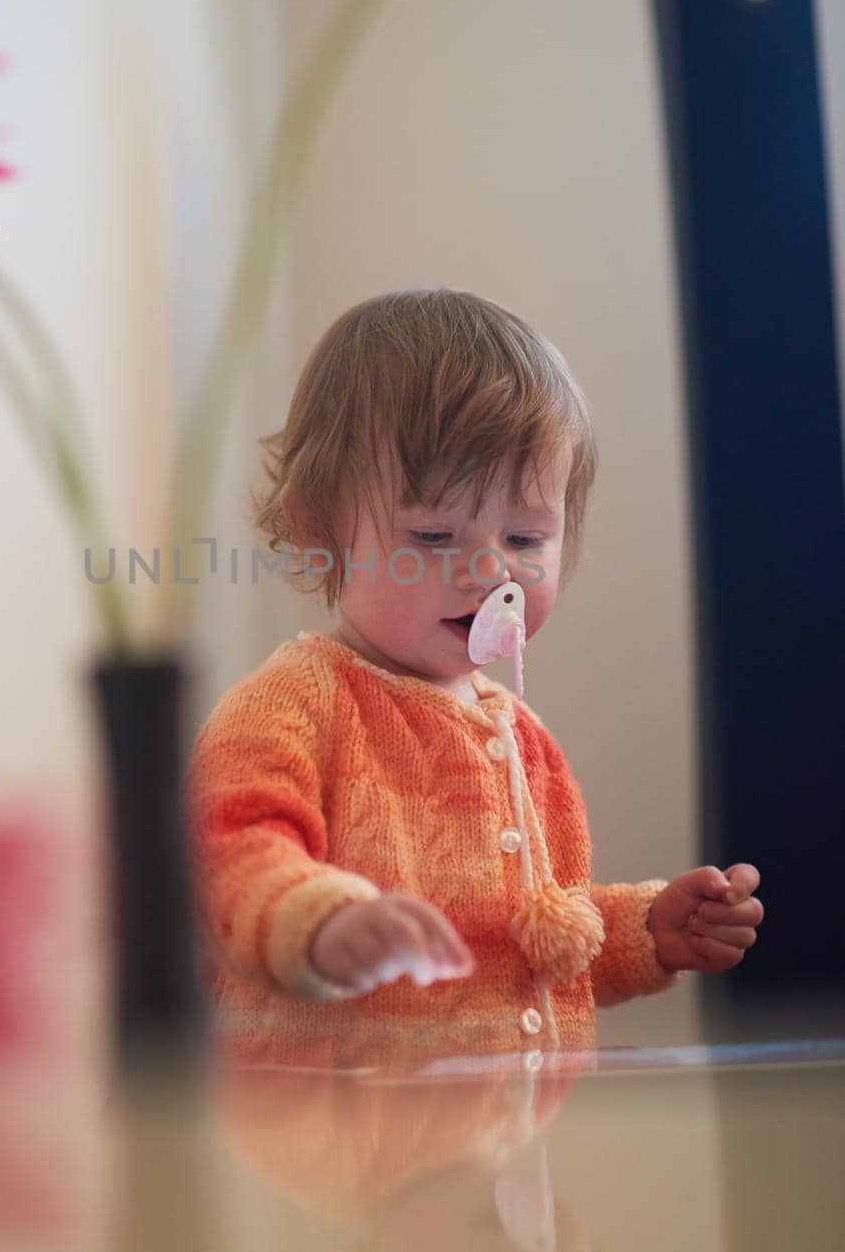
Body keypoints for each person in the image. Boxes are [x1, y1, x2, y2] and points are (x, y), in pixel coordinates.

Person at [185, 289, 763, 1064]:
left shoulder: (524, 738)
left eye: (526, 535)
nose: (492, 570)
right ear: (319, 531)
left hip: (507, 1156)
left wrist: (644, 931)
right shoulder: (295, 706)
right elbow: (226, 851)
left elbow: (527, 933)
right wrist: (319, 923)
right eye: (432, 534)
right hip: (334, 1154)